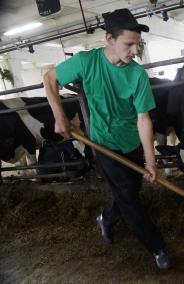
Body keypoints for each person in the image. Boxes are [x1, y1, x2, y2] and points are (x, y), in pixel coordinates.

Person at [43, 8, 172, 270]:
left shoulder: (138, 75)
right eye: (129, 44)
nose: (134, 51)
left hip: (132, 143)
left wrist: (151, 162)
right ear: (109, 39)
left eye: (136, 45)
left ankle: (105, 217)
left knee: (129, 192)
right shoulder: (86, 62)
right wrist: (60, 116)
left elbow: (143, 119)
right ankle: (158, 248)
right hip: (103, 143)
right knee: (127, 195)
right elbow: (49, 78)